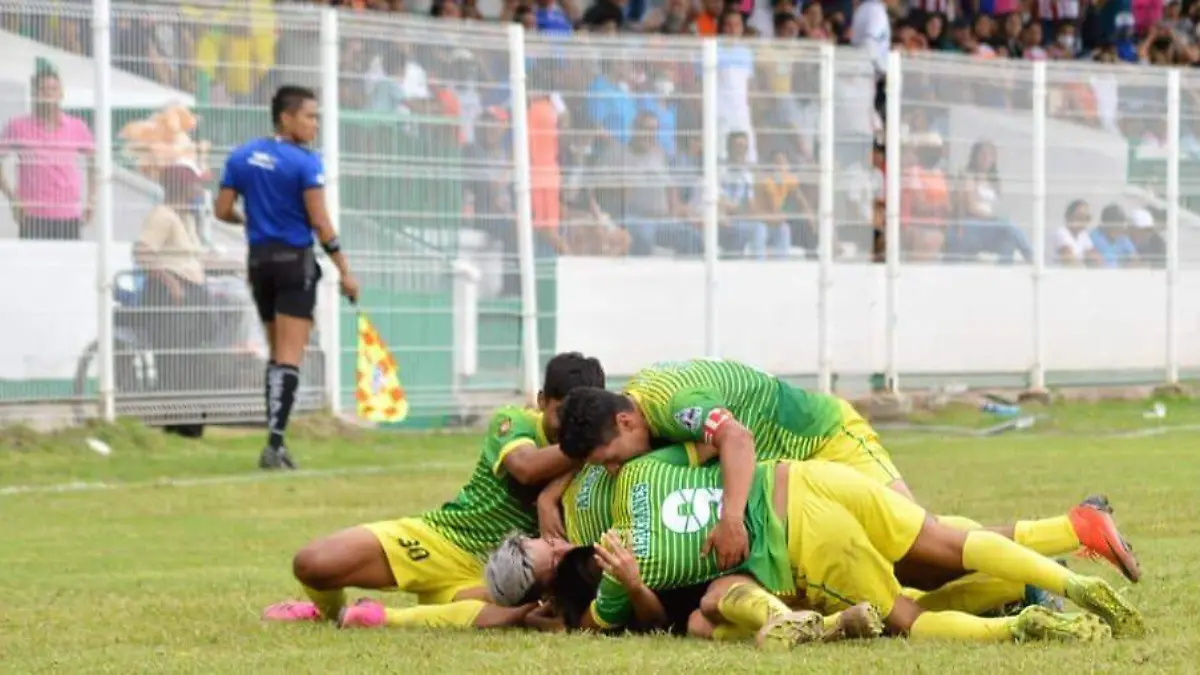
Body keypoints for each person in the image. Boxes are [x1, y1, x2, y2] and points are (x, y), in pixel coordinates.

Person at [554, 358, 1141, 586]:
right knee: (917, 550)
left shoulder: (667, 404)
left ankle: (1072, 533)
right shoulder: (636, 410)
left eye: (610, 459)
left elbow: (736, 437)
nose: (615, 470)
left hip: (828, 438)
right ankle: (1049, 557)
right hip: (800, 468)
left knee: (920, 544)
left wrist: (732, 518)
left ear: (628, 422)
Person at [486, 457, 1143, 644]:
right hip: (807, 474)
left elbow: (670, 616)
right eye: (547, 548)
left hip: (792, 541)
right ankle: (1070, 532)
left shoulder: (594, 591)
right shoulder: (632, 471)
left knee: (909, 605)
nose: (555, 541)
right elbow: (730, 434)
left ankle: (1023, 616)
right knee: (942, 542)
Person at [260, 352, 605, 631]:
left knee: (531, 613)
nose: (570, 429)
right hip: (445, 539)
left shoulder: (604, 455)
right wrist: (587, 440)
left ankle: (378, 619)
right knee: (313, 563)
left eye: (581, 421)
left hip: (505, 573)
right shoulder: (515, 421)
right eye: (564, 415)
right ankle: (325, 613)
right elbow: (526, 468)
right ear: (542, 400)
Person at [214, 85, 359, 470]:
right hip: (295, 262)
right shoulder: (304, 163)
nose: (314, 123)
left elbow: (222, 209)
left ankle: (274, 442)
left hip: (259, 262)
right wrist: (344, 268)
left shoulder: (242, 156)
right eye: (310, 115)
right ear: (286, 117)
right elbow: (320, 222)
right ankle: (275, 444)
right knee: (289, 355)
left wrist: (251, 220)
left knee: (275, 351)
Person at [0, 63, 96, 240]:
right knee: (34, 265)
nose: (49, 93)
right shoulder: (17, 126)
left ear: (61, 93)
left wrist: (91, 200)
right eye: (43, 89)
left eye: (53, 88)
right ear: (34, 94)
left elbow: (94, 163)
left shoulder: (77, 127)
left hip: (69, 216)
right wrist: (12, 197)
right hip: (32, 215)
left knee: (69, 265)